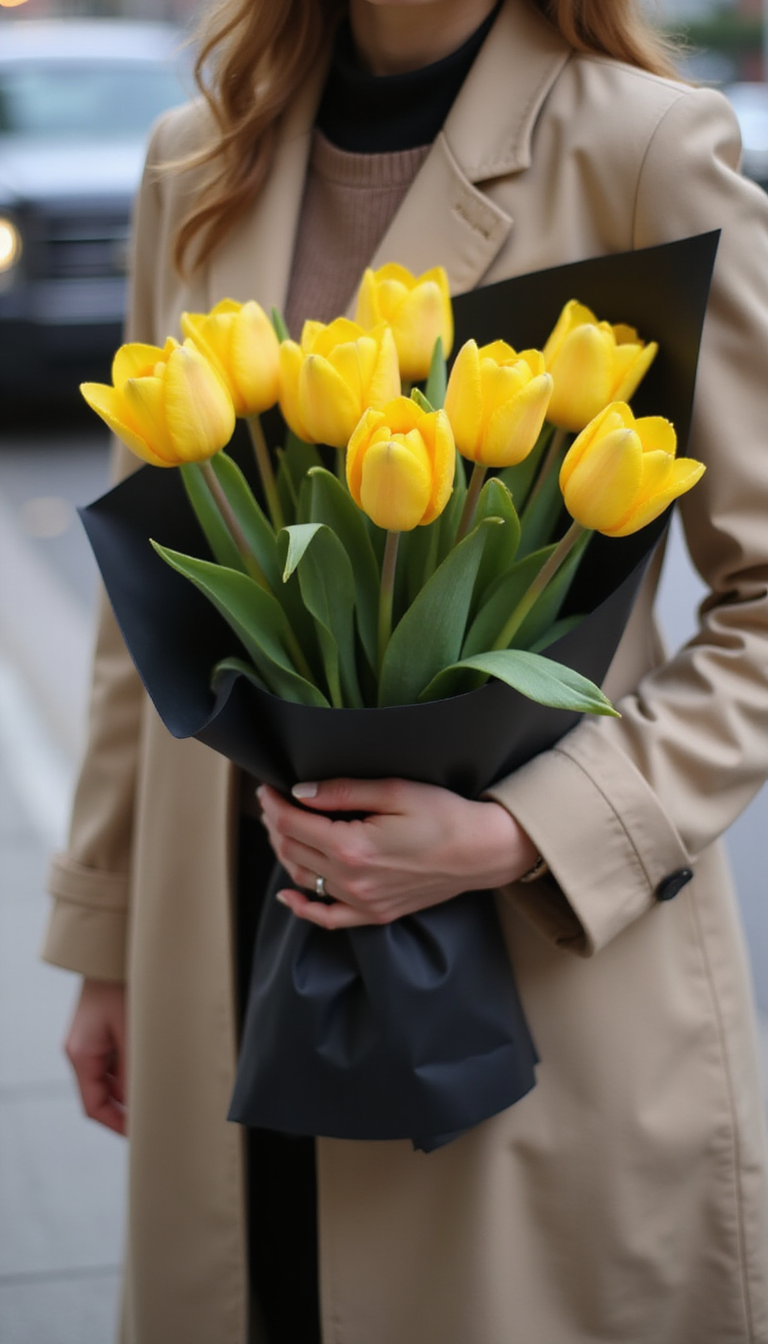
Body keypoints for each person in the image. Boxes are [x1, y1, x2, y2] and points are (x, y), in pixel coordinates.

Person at [45, 0, 768, 1340]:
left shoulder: (642, 147)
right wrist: (108, 940)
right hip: (226, 939)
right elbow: (142, 601)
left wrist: (526, 833)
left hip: (529, 962)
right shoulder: (195, 158)